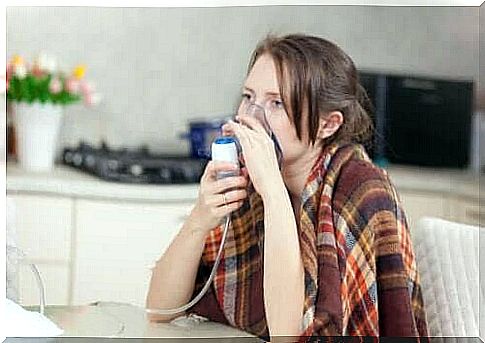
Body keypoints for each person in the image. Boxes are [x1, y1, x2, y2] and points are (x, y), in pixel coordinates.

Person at [146, 33, 428, 340]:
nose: (251, 116)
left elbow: (288, 335)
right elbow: (159, 309)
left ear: (328, 124)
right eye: (248, 96)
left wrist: (273, 193)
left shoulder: (361, 188)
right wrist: (200, 219)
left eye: (276, 103)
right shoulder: (247, 179)